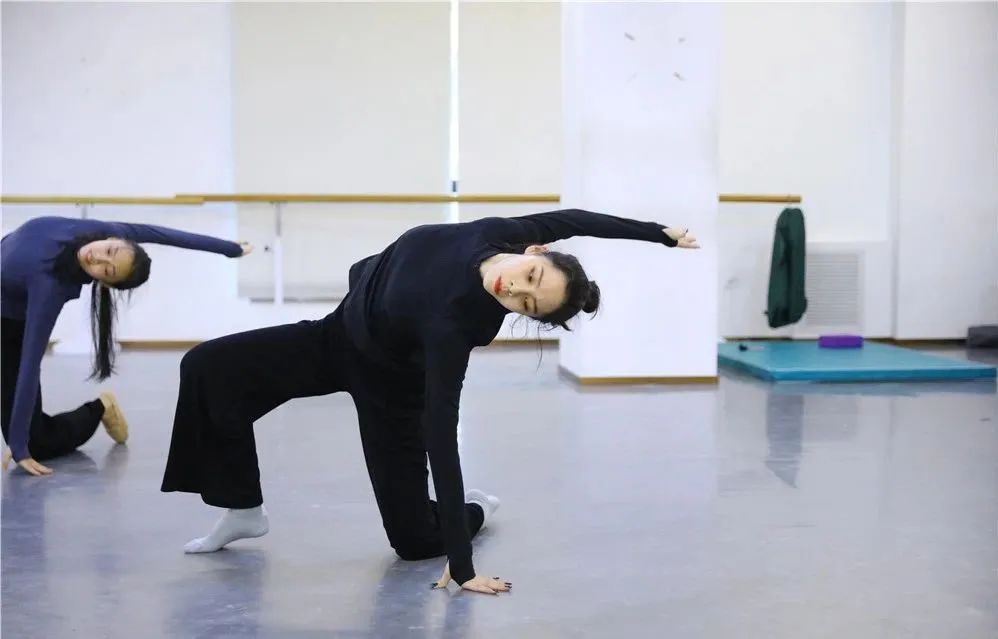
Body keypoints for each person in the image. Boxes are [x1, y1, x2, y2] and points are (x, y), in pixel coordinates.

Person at [160, 208, 699, 595]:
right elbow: (577, 219)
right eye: (530, 277)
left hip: (392, 390)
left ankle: (474, 510)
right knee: (209, 366)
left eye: (528, 305)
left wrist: (462, 567)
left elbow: (440, 430)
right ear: (534, 251)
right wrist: (660, 234)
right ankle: (244, 509)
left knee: (415, 542)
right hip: (333, 339)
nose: (514, 291)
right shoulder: (502, 233)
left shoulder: (457, 325)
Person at [1, 215, 251, 476]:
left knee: (37, 443)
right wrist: (230, 248)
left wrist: (19, 445)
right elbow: (159, 232)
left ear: (104, 283)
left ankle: (100, 408)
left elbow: (29, 365)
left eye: (107, 271)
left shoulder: (49, 288)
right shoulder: (101, 230)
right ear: (113, 240)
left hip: (8, 327)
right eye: (109, 251)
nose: (98, 258)